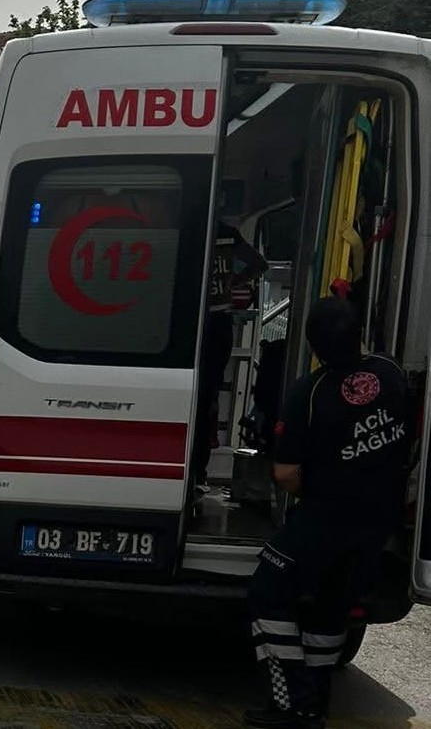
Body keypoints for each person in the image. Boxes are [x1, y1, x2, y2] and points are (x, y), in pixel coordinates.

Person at [245, 298, 409, 729]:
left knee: (266, 590)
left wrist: (322, 488)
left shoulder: (310, 392)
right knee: (331, 609)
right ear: (360, 335)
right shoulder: (391, 374)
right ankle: (313, 705)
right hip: (378, 523)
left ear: (314, 346)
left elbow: (285, 474)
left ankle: (291, 701)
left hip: (325, 519)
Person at [191, 219, 268, 497]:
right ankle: (198, 472)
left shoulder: (184, 226)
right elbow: (259, 264)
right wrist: (233, 281)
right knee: (206, 400)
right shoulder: (227, 234)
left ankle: (191, 469)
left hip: (187, 322)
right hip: (217, 323)